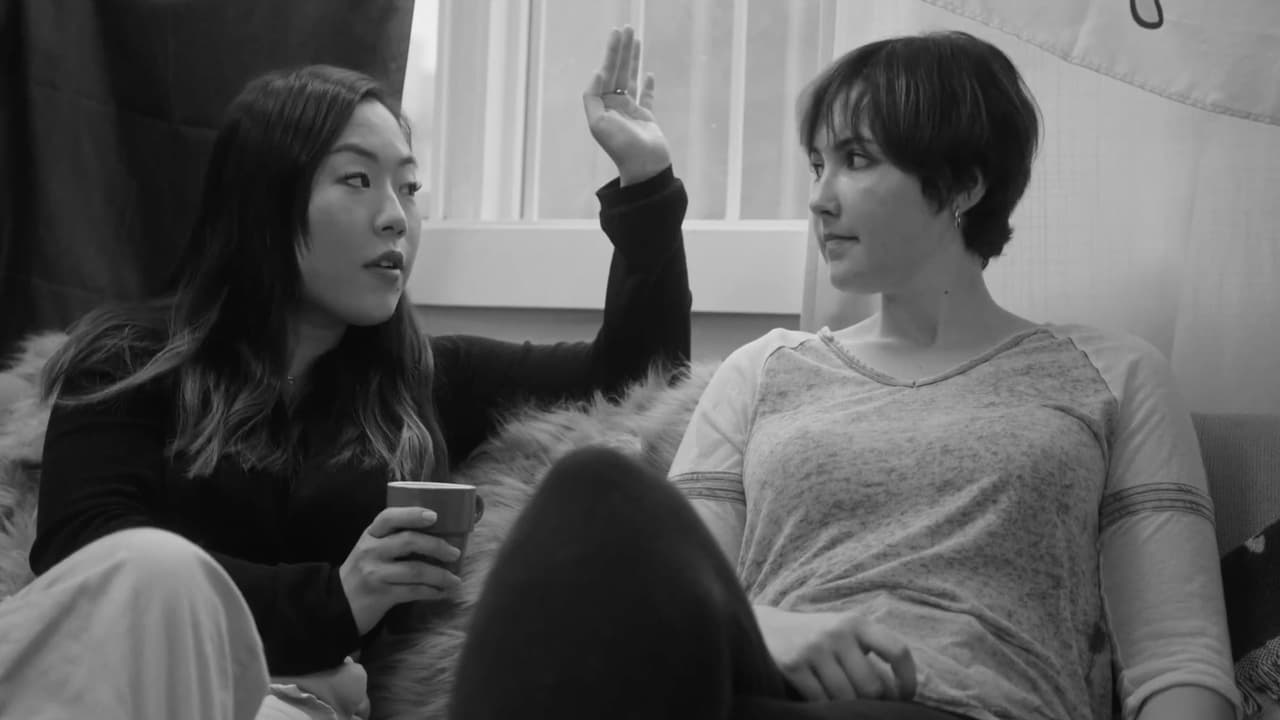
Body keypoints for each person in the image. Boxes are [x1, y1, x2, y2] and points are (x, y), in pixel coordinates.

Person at [447, 31, 1241, 720]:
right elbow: (666, 599)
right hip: (751, 697)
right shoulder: (762, 372)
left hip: (963, 705)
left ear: (964, 183)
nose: (820, 199)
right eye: (817, 163)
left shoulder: (1110, 374)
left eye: (856, 160)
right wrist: (767, 628)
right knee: (589, 490)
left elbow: (1178, 661)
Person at [0, 25, 687, 720]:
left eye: (409, 188)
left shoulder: (424, 378)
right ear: (265, 202)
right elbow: (91, 554)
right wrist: (336, 601)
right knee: (155, 567)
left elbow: (636, 375)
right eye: (358, 180)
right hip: (123, 682)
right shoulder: (129, 356)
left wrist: (647, 182)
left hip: (293, 708)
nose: (395, 218)